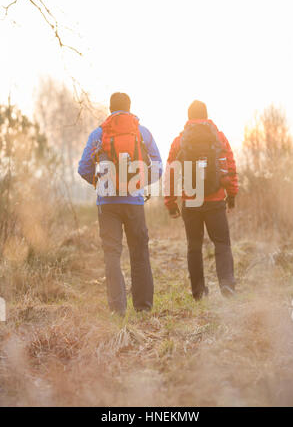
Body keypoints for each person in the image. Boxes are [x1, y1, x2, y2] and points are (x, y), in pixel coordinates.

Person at [78, 92, 162, 316]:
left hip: (107, 204)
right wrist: (140, 183)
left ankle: (118, 309)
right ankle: (143, 307)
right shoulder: (142, 133)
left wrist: (99, 182)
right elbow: (158, 166)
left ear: (110, 109)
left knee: (112, 255)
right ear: (129, 107)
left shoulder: (99, 133)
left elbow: (83, 168)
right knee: (140, 253)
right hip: (134, 201)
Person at [164, 100, 238, 299]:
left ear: (188, 117)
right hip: (215, 201)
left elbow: (171, 173)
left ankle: (197, 292)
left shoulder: (179, 141)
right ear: (206, 116)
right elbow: (229, 167)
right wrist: (231, 195)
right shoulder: (219, 138)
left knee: (194, 246)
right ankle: (227, 285)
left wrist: (170, 203)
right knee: (222, 243)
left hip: (191, 201)